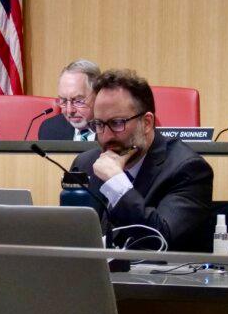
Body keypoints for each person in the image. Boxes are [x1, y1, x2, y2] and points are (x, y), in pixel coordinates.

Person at [71, 69, 215, 252]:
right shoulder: (85, 164)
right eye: (99, 124)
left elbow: (160, 241)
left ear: (146, 123)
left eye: (117, 123)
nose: (106, 136)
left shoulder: (188, 169)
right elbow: (71, 238)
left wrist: (116, 183)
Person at [38, 59, 100, 141]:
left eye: (78, 101)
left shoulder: (115, 130)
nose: (69, 110)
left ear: (98, 95)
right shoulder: (49, 129)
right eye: (64, 101)